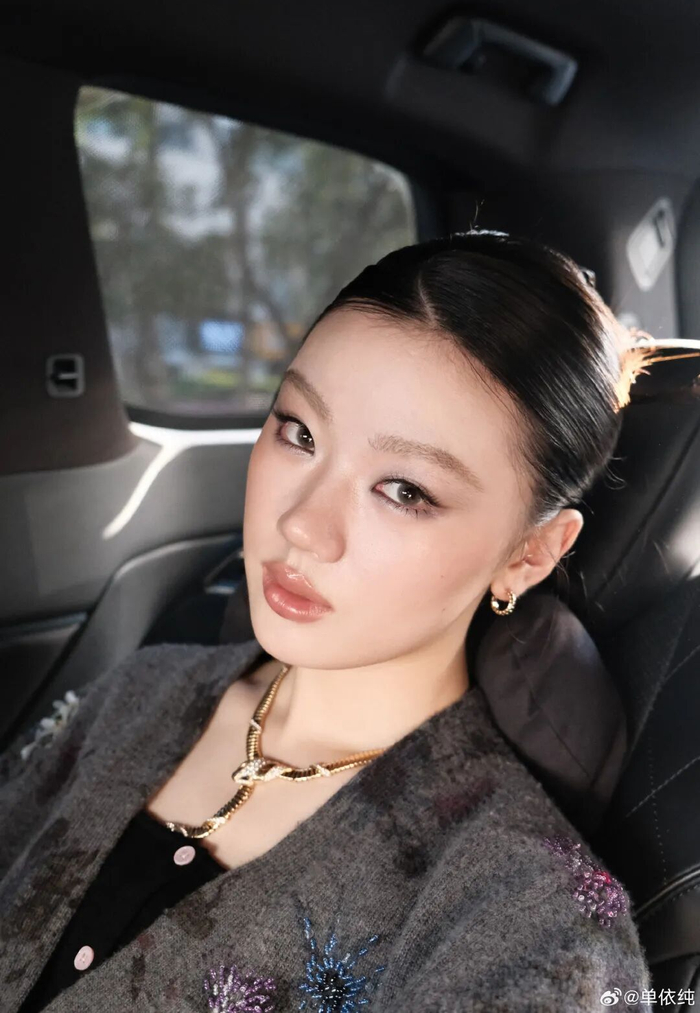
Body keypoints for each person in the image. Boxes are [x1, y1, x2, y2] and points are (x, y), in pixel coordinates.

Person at [0, 230, 659, 1012]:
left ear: (529, 553)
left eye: (405, 491)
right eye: (299, 432)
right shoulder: (138, 689)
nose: (302, 525)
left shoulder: (528, 913)